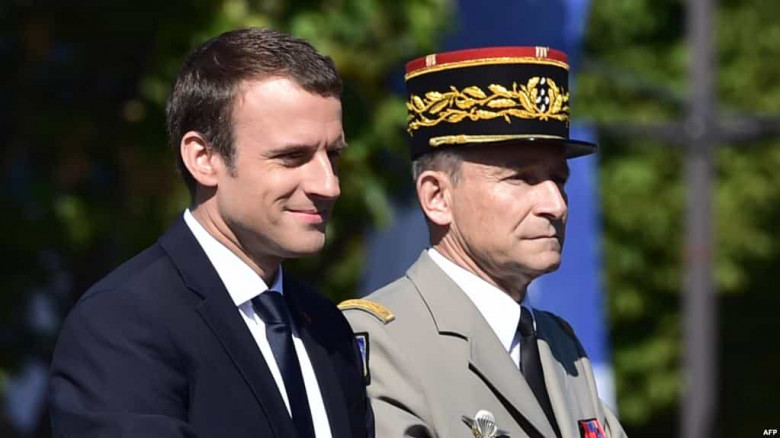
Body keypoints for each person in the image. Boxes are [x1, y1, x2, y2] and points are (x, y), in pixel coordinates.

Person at [49, 27, 373, 438]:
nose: (329, 185)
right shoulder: (122, 324)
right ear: (204, 158)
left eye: (333, 155)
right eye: (292, 157)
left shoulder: (326, 327)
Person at [340, 47, 626, 438]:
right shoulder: (383, 341)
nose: (555, 205)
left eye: (558, 179)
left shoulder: (559, 344)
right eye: (521, 178)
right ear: (437, 197)